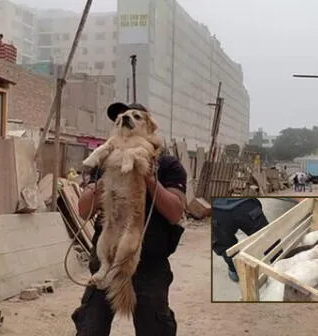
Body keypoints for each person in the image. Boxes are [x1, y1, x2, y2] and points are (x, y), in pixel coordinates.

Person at [71, 102, 187, 336]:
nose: (126, 121)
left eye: (135, 117)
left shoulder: (166, 164)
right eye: (120, 118)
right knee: (89, 328)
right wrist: (107, 177)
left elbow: (175, 213)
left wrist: (149, 178)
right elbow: (83, 210)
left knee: (154, 329)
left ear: (149, 126)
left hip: (150, 265)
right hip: (106, 258)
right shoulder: (106, 161)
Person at [212, 198, 269, 282]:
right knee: (266, 237)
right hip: (246, 204)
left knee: (224, 245)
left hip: (218, 211)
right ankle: (282, 264)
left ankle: (235, 270)